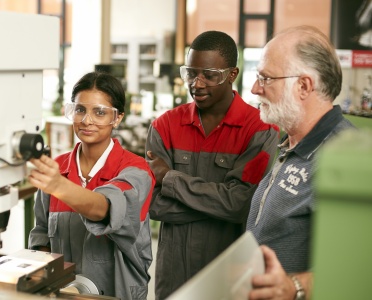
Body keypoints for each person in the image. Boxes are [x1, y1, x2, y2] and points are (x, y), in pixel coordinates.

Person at [145, 30, 280, 299]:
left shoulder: (260, 130)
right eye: (191, 73)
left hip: (229, 272)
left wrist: (169, 177)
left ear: (232, 74)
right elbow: (153, 204)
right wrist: (221, 204)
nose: (197, 83)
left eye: (209, 75)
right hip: (174, 274)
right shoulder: (165, 126)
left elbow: (242, 205)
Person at [246, 25, 356, 300]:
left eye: (266, 78)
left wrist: (295, 287)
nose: (255, 88)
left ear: (304, 86)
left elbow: (357, 267)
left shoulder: (344, 159)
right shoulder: (290, 143)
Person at [28, 71, 156, 300]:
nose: (87, 120)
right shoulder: (58, 167)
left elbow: (105, 209)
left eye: (99, 112)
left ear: (117, 118)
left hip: (118, 293)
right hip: (62, 292)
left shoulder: (136, 171)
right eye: (80, 110)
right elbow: (41, 234)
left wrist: (59, 185)